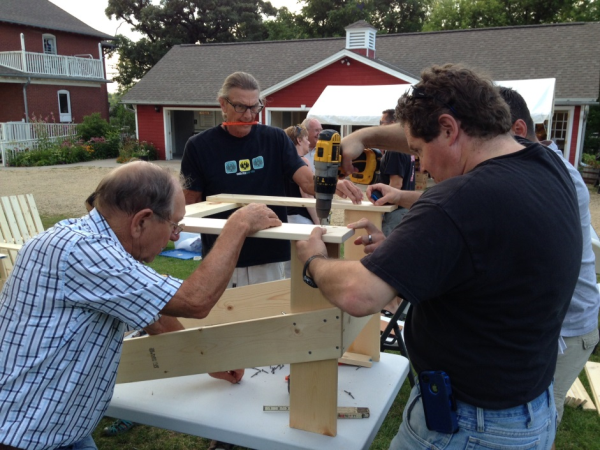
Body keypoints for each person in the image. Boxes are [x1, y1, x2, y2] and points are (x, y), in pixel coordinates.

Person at [297, 63, 582, 449]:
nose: (422, 164)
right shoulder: (547, 165)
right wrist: (363, 137)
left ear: (449, 129)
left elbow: (358, 295)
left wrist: (314, 261)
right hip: (528, 408)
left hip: (470, 426)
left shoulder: (459, 199)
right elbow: (487, 263)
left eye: (417, 151)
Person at [0, 161, 282, 450]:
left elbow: (155, 317)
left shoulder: (82, 241)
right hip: (26, 435)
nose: (175, 237)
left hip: (62, 428)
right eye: (174, 225)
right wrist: (238, 225)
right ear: (141, 221)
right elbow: (196, 300)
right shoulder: (85, 252)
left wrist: (208, 362)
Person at [181, 72, 362, 289]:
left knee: (271, 318)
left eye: (255, 107)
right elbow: (190, 204)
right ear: (223, 104)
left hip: (271, 253)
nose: (249, 115)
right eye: (240, 107)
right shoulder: (199, 146)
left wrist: (333, 184)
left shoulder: (275, 139)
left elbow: (306, 181)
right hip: (223, 255)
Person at [498, 87, 600, 440]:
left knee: (537, 422)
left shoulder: (558, 178)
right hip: (553, 323)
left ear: (519, 132)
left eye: (489, 139)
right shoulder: (535, 170)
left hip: (569, 329)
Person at [376, 108, 416, 236]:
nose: (380, 127)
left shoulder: (394, 150)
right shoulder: (405, 147)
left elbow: (396, 184)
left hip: (395, 212)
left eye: (382, 123)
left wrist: (379, 205)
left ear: (392, 124)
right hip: (405, 208)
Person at [284, 125, 319, 225]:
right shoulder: (302, 162)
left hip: (286, 217)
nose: (308, 142)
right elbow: (307, 194)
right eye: (306, 139)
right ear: (299, 140)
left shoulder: (283, 163)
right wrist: (318, 222)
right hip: (302, 217)